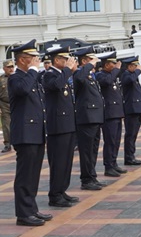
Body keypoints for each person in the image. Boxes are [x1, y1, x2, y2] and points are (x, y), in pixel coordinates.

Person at [9, 39, 52, 226]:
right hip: (25, 134)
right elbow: (23, 90)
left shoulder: (31, 77)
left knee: (33, 174)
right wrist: (34, 71)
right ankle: (23, 214)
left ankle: (32, 209)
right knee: (25, 175)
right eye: (33, 57)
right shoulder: (15, 78)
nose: (37, 60)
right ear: (22, 60)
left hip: (36, 132)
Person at [42, 47, 79, 208]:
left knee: (66, 161)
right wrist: (68, 71)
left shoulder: (61, 74)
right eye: (65, 59)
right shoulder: (49, 74)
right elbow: (56, 86)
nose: (68, 62)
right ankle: (55, 195)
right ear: (57, 60)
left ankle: (62, 190)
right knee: (58, 161)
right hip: (57, 126)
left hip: (67, 124)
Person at [73, 47, 105, 191]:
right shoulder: (80, 73)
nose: (95, 62)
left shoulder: (90, 75)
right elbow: (79, 78)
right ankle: (86, 179)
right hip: (86, 118)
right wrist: (89, 65)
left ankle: (92, 176)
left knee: (93, 149)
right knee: (86, 151)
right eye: (91, 59)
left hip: (95, 117)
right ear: (84, 61)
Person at [96, 52, 127, 177]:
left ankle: (113, 163)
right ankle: (108, 166)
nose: (115, 65)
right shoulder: (101, 75)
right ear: (106, 64)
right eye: (113, 63)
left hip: (116, 113)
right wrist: (117, 70)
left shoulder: (111, 75)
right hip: (109, 114)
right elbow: (107, 82)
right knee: (110, 141)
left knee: (116, 140)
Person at [121, 56, 141, 166]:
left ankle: (131, 155)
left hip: (137, 109)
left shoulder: (133, 76)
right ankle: (129, 157)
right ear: (129, 66)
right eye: (135, 66)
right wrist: (138, 71)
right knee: (130, 134)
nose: (136, 68)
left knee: (134, 134)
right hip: (131, 109)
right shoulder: (126, 75)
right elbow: (129, 80)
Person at [0, 60, 14, 152]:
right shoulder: (1, 79)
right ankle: (8, 144)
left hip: (17, 104)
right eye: (8, 67)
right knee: (6, 125)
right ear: (4, 68)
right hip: (4, 104)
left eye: (12, 66)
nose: (11, 69)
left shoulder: (18, 77)